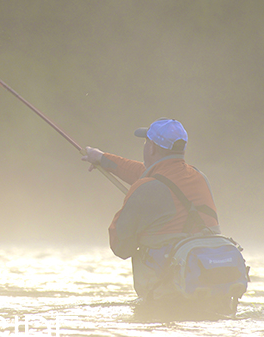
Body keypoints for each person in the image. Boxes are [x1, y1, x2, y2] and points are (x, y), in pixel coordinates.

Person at [82, 118, 222, 302]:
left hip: (167, 296)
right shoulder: (200, 177)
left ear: (152, 148)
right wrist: (102, 158)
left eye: (146, 141)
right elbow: (150, 172)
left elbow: (120, 247)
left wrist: (143, 233)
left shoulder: (146, 187)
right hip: (213, 291)